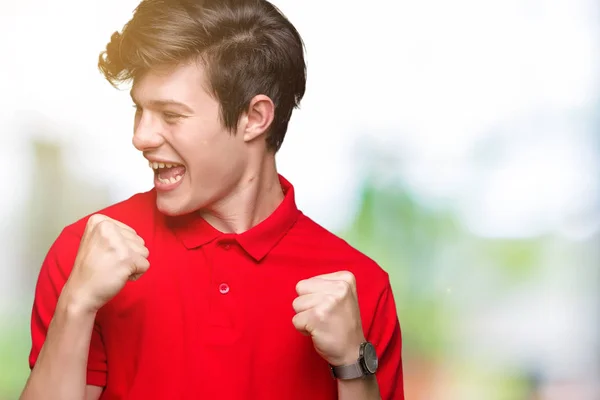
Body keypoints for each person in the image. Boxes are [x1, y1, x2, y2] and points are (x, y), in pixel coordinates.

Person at [20, 0, 404, 399]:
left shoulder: (359, 288)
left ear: (254, 118)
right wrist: (77, 305)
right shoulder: (87, 252)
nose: (141, 137)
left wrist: (353, 366)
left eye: (170, 115)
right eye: (139, 108)